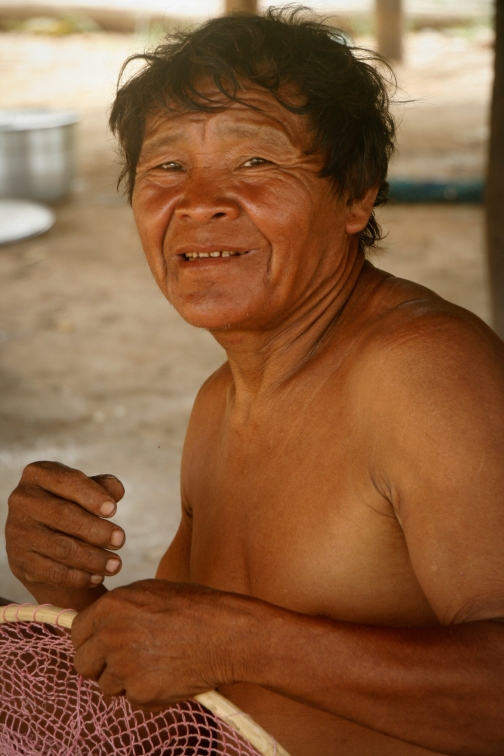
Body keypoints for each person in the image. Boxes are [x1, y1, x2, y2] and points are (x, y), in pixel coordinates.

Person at [5, 9, 504, 756]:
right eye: (166, 167)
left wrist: (246, 644)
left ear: (356, 195)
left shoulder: (422, 370)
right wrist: (72, 591)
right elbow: (200, 686)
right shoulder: (221, 399)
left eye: (256, 164)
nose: (200, 200)